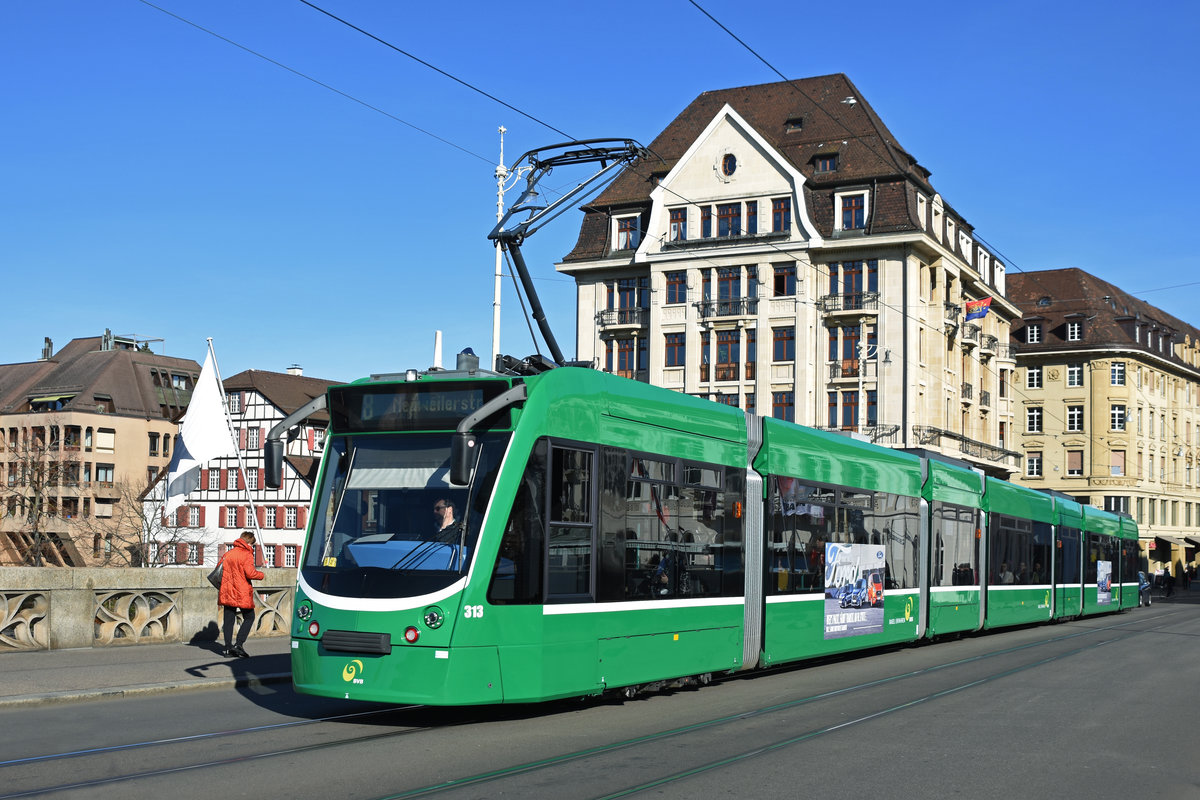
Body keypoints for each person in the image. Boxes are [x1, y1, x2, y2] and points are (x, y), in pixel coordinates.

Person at [218, 530, 264, 658]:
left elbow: (219, 571)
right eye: (252, 544)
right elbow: (250, 573)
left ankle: (227, 649)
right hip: (241, 590)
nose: (252, 547)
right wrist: (261, 575)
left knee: (228, 619)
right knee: (249, 617)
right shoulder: (246, 554)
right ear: (249, 542)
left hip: (227, 590)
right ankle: (239, 644)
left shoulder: (228, 554)